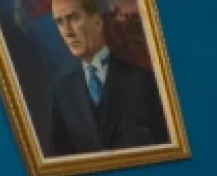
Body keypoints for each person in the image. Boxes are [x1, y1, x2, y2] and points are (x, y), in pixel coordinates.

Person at [47, 0, 169, 156]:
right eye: (59, 22)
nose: (67, 31)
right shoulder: (62, 92)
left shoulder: (143, 81)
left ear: (98, 22)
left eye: (74, 18)